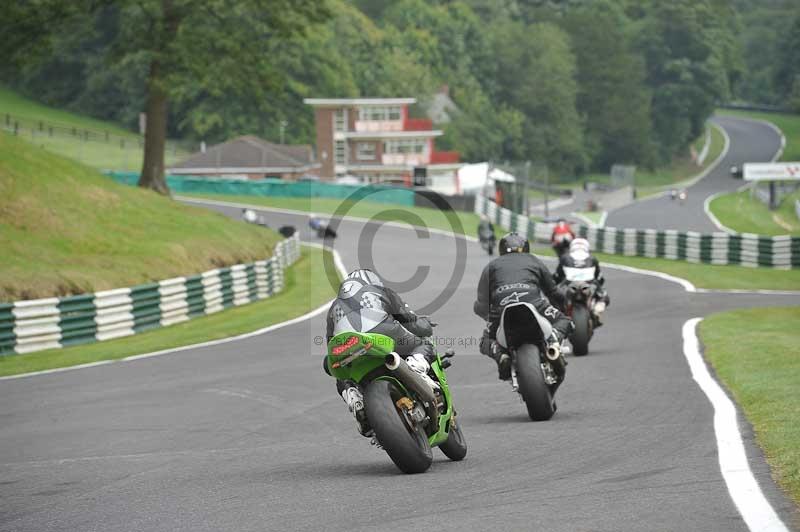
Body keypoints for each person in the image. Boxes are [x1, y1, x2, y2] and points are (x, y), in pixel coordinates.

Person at [324, 268, 436, 436]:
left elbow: (330, 346)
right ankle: (416, 365)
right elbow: (411, 322)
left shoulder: (333, 308)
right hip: (383, 336)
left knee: (342, 374)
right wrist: (426, 326)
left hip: (348, 347)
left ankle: (353, 397)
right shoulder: (380, 291)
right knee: (423, 344)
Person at [474, 233, 573, 380]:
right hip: (534, 302)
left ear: (502, 249)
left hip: (501, 308)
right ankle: (553, 340)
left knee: (485, 340)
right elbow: (553, 291)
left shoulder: (492, 266)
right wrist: (562, 305)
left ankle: (501, 355)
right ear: (526, 247)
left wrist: (489, 317)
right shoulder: (534, 260)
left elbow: (481, 303)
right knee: (565, 321)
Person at [553, 238, 610, 324]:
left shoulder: (565, 257)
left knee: (553, 295)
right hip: (588, 284)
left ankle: (556, 314)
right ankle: (596, 310)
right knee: (604, 297)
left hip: (569, 284)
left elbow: (557, 276)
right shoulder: (592, 258)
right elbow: (600, 278)